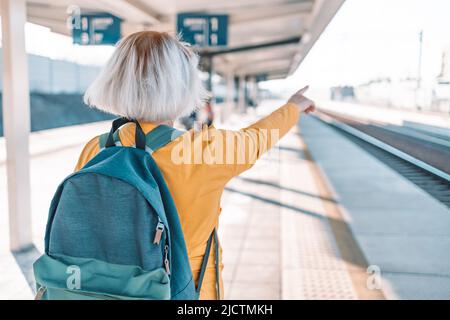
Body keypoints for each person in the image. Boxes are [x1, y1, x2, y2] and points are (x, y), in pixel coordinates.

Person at [76, 31, 315, 300]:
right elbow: (258, 138)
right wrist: (292, 107)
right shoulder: (207, 150)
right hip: (186, 291)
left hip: (107, 291)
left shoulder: (96, 149)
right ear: (183, 85)